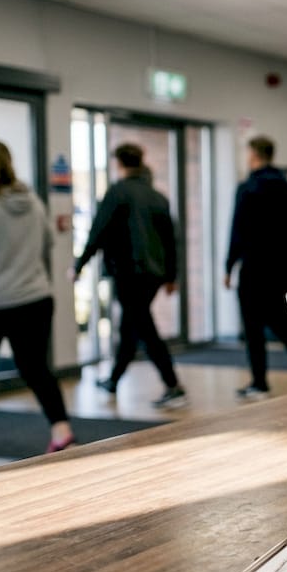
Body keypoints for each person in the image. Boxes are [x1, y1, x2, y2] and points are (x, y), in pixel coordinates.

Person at [72, 143, 187, 409]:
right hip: (153, 274)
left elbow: (97, 233)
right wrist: (172, 276)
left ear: (118, 164)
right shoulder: (158, 197)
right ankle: (114, 380)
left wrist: (79, 264)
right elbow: (172, 241)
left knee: (144, 327)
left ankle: (173, 385)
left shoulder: (117, 193)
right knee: (131, 326)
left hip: (129, 273)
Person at [0, 141, 75, 451]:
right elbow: (47, 244)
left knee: (33, 367)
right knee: (36, 368)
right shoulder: (32, 201)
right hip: (36, 297)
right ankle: (61, 431)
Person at [224, 136, 287, 400]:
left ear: (253, 155)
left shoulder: (248, 187)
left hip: (255, 265)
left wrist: (228, 266)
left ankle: (259, 382)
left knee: (253, 324)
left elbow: (237, 230)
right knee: (276, 316)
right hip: (285, 266)